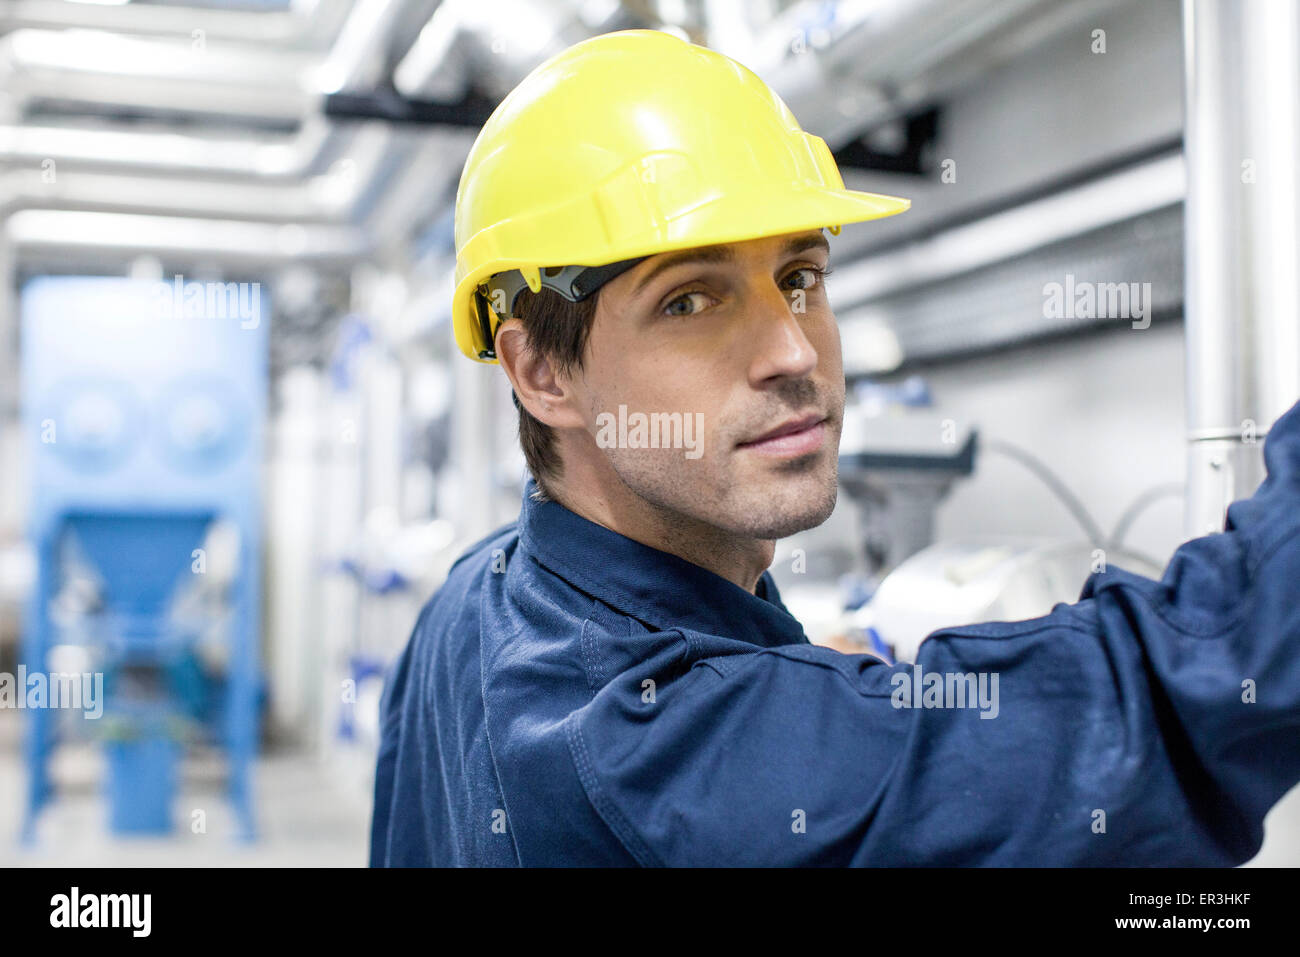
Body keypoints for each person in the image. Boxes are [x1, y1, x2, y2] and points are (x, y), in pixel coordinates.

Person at [370, 29, 1300, 866]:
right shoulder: (664, 755)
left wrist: (804, 677)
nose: (791, 350)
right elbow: (1177, 703)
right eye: (689, 300)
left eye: (800, 276)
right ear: (541, 373)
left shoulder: (473, 600)